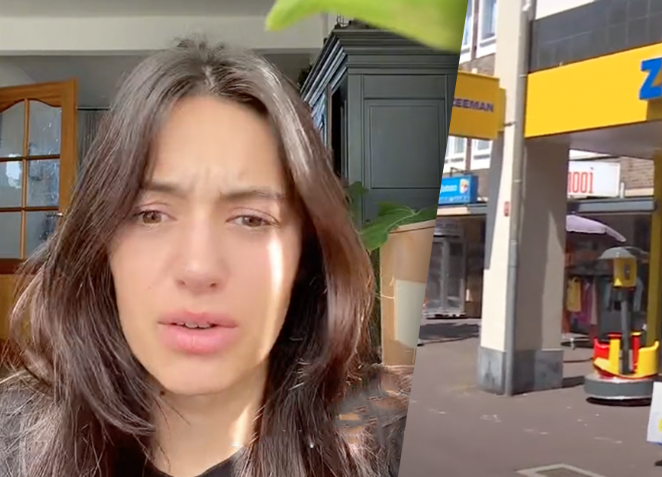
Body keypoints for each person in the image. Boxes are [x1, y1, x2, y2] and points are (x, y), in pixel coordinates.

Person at [0, 39, 408, 477]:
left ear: (304, 255)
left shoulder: (391, 442)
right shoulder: (15, 442)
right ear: (102, 246)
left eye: (251, 219)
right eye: (151, 215)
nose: (199, 269)